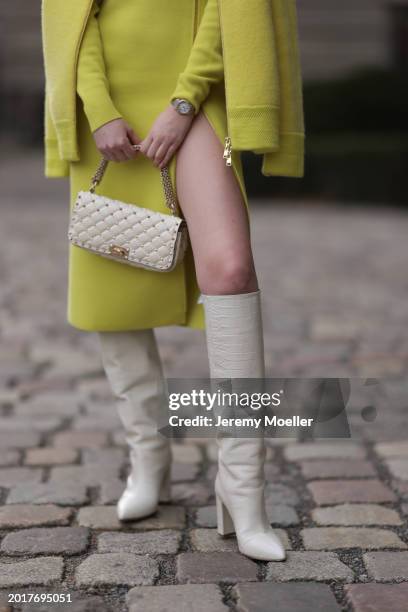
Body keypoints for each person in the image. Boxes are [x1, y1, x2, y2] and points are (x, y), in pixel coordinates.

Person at [42, 0, 305, 561]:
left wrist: (186, 98)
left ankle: (243, 488)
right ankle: (148, 454)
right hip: (106, 104)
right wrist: (99, 107)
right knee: (113, 282)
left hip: (198, 97)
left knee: (231, 269)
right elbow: (70, 16)